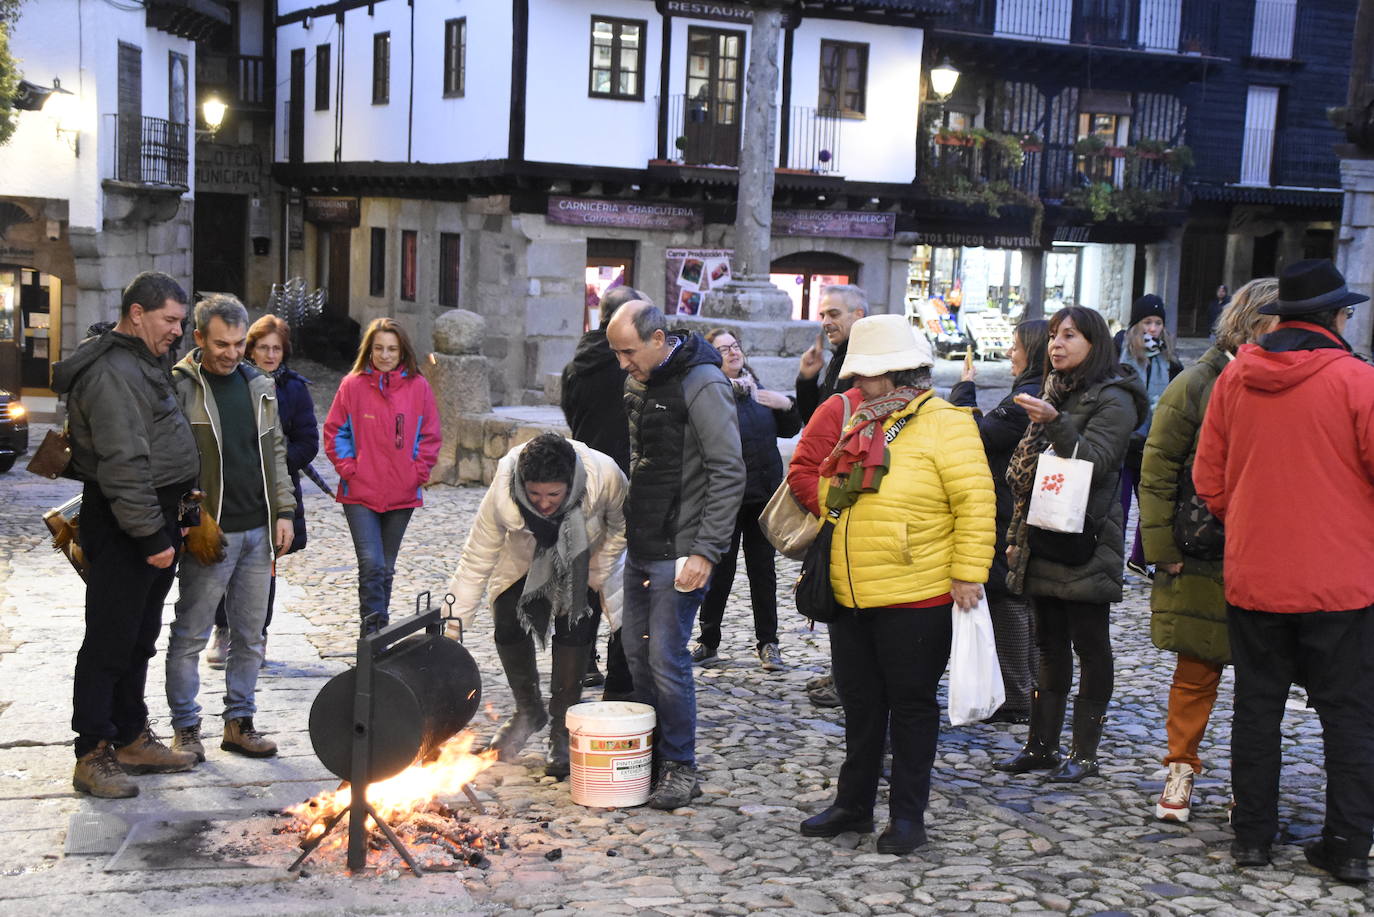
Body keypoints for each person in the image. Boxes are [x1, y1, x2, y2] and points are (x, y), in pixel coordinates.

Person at [1194, 260, 1374, 882]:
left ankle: (1253, 838)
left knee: (1258, 707)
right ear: (1335, 318)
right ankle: (1348, 844)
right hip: (1342, 581)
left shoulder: (1236, 378)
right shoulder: (1357, 381)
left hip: (1256, 574)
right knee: (1348, 713)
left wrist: (1249, 520)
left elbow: (1208, 480)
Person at [796, 314, 995, 855]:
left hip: (918, 593)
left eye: (871, 374)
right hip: (851, 589)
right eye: (859, 373)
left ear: (900, 372)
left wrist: (968, 573)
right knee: (860, 705)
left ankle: (908, 816)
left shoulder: (947, 422)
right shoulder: (858, 421)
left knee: (909, 706)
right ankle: (853, 805)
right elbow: (828, 488)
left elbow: (975, 502)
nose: (860, 383)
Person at [53, 271, 202, 797]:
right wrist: (150, 537)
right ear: (136, 313)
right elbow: (123, 465)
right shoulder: (113, 371)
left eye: (181, 322)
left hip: (157, 514)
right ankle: (93, 750)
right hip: (127, 524)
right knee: (110, 639)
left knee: (138, 635)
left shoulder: (141, 358)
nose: (177, 332)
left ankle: (130, 735)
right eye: (170, 320)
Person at [1138, 278, 1278, 824]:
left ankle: (1253, 780)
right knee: (1196, 669)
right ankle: (1181, 766)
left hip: (1264, 549)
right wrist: (1162, 546)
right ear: (1251, 323)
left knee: (1261, 678)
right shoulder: (1197, 382)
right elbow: (1158, 467)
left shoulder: (1281, 383)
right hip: (1203, 548)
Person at [996, 306, 1147, 783]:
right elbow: (1026, 472)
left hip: (1087, 539)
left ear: (1094, 343)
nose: (1057, 344)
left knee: (1091, 645)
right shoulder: (1054, 389)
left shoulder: (1115, 398)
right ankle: (1040, 745)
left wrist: (1055, 422)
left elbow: (1098, 462)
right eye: (1055, 336)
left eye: (1070, 335)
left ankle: (1085, 752)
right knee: (1048, 644)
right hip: (1043, 532)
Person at [606, 301, 744, 809]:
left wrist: (705, 551)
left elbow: (729, 471)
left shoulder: (703, 383)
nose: (623, 363)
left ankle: (680, 766)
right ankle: (648, 757)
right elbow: (642, 458)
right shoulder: (638, 381)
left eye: (628, 351)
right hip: (644, 540)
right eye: (617, 353)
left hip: (682, 548)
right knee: (637, 656)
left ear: (659, 339)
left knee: (666, 657)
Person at [164, 294, 296, 762]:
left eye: (240, 343)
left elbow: (275, 452)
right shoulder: (180, 386)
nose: (233, 352)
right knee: (191, 634)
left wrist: (284, 511)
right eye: (222, 343)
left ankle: (239, 722)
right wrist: (188, 521)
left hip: (258, 532)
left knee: (250, 635)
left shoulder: (260, 384)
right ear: (198, 338)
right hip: (209, 532)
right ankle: (185, 728)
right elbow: (169, 463)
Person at [447, 433, 626, 778]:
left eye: (553, 495)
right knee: (507, 622)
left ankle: (562, 726)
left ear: (571, 482)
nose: (543, 504)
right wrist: (451, 627)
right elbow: (477, 557)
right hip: (523, 565)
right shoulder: (502, 489)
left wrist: (598, 566)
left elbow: (623, 526)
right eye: (535, 495)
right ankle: (528, 710)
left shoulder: (605, 475)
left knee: (576, 628)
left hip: (583, 559)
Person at [948, 320, 1050, 723]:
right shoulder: (1036, 390)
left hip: (1011, 510)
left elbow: (976, 435)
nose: (1010, 352)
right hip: (1024, 509)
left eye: (1015, 345)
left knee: (1008, 598)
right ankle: (1031, 689)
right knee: (1022, 600)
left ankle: (1017, 693)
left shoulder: (1026, 397)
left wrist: (963, 391)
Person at [206, 314, 318, 668]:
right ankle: (223, 629)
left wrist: (275, 464)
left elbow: (308, 441)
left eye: (277, 348)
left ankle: (257, 634)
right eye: (263, 347)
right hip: (232, 488)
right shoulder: (232, 383)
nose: (270, 355)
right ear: (250, 349)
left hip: (274, 492)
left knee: (264, 566)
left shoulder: (294, 389)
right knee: (224, 559)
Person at [689, 329, 801, 672]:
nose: (733, 353)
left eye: (735, 346)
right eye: (723, 349)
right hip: (725, 499)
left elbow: (789, 428)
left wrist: (787, 404)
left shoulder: (757, 388)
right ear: (712, 356)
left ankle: (768, 643)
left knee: (762, 572)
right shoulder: (710, 394)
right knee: (719, 571)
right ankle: (708, 641)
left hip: (762, 497)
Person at [324, 318, 442, 634]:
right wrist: (350, 468)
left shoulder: (419, 387)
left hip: (402, 494)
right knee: (372, 564)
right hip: (359, 492)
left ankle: (379, 634)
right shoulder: (352, 385)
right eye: (379, 348)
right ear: (370, 350)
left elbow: (430, 435)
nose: (385, 355)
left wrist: (418, 472)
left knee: (386, 569)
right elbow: (335, 430)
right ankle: (371, 634)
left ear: (402, 351)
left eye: (392, 348)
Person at [560, 285, 645, 698]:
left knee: (583, 574)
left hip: (583, 476)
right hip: (622, 479)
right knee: (615, 573)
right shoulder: (628, 366)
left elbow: (571, 416)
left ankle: (580, 662)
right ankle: (618, 666)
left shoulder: (575, 364)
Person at [795, 284, 866, 708]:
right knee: (832, 583)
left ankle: (849, 677)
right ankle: (842, 671)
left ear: (859, 314)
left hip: (849, 489)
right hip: (830, 482)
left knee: (845, 584)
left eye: (835, 313)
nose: (826, 322)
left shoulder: (865, 364)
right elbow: (816, 421)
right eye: (823, 314)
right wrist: (807, 379)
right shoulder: (838, 359)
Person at [1115, 294, 1183, 579]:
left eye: (1157, 323)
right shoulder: (1119, 352)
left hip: (1153, 443)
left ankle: (1140, 559)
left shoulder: (1169, 360)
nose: (1152, 328)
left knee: (1152, 508)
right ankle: (1112, 561)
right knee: (1118, 508)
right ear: (1136, 324)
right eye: (1147, 322)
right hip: (1121, 441)